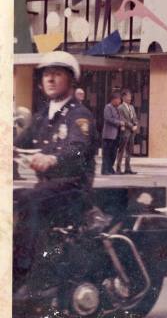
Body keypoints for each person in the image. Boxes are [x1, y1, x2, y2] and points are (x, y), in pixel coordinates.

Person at [13, 51, 97, 296]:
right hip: (49, 189)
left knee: (29, 200)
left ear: (71, 81)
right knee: (12, 200)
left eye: (57, 74)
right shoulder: (42, 117)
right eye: (46, 75)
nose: (50, 79)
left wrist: (53, 158)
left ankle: (25, 275)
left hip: (73, 189)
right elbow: (20, 142)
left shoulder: (79, 115)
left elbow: (77, 147)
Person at [116, 89, 139, 174]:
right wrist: (131, 126)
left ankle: (127, 168)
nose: (130, 98)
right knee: (121, 150)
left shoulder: (132, 107)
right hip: (125, 131)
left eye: (130, 96)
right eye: (128, 96)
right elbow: (123, 119)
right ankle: (118, 168)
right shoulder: (120, 107)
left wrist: (136, 124)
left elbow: (135, 117)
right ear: (123, 97)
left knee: (129, 150)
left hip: (132, 132)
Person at [101, 90, 123, 175]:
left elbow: (120, 118)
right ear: (114, 99)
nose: (119, 101)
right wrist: (119, 122)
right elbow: (108, 118)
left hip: (116, 135)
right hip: (108, 135)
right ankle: (105, 169)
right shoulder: (108, 107)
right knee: (107, 153)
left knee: (113, 153)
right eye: (118, 100)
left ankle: (110, 168)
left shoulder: (117, 108)